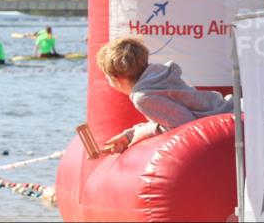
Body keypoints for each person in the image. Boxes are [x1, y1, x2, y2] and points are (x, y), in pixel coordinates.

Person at [96, 36, 234, 154]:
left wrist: (142, 132)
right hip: (230, 109)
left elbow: (185, 125)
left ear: (118, 78)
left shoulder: (142, 97)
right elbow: (171, 117)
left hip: (228, 123)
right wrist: (130, 135)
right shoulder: (157, 75)